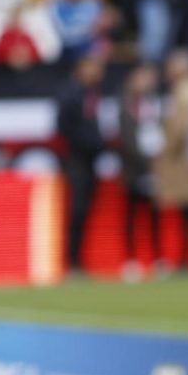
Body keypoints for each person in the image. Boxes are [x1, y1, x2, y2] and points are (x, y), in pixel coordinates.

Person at [154, 49, 188, 272]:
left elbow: (179, 128)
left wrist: (164, 151)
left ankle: (187, 259)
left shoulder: (185, 91)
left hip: (185, 161)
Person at [56, 55, 107, 274]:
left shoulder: (92, 93)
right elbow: (63, 126)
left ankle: (78, 259)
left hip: (90, 158)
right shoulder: (70, 94)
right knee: (76, 210)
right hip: (77, 158)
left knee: (85, 209)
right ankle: (71, 260)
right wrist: (89, 142)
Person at [118, 64, 164, 281]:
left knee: (155, 215)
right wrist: (143, 163)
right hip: (134, 170)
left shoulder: (156, 104)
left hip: (155, 168)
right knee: (132, 216)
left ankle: (157, 258)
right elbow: (127, 139)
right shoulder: (125, 105)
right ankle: (131, 259)